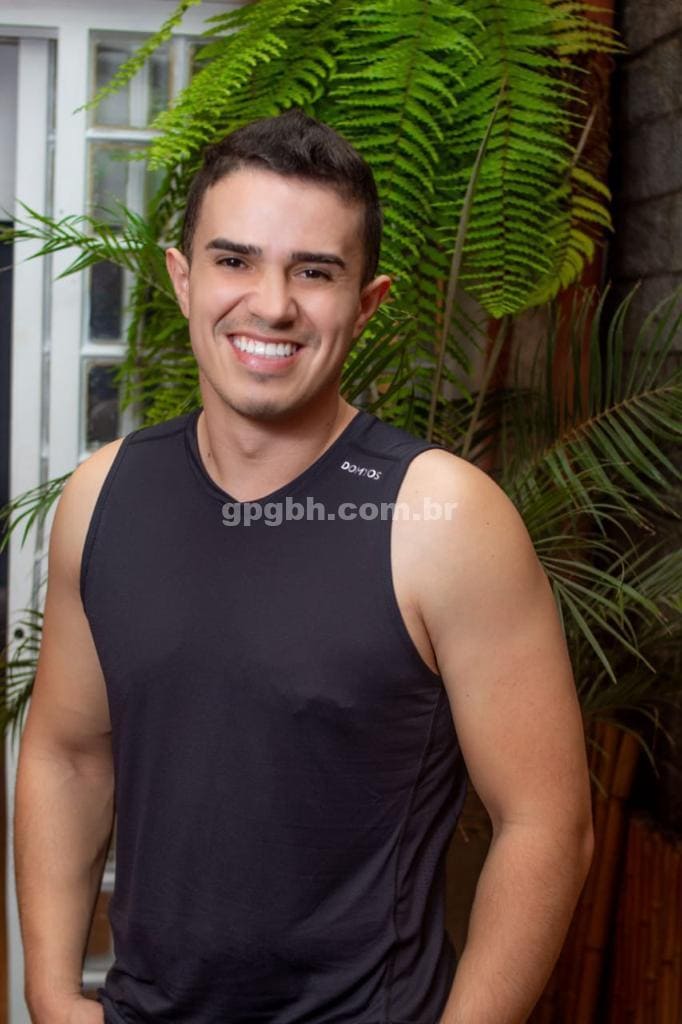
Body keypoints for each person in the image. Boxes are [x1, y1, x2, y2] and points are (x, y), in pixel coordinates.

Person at [15, 109, 594, 1024]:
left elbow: (547, 824)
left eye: (314, 271)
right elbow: (69, 755)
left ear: (368, 302)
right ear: (183, 277)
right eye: (234, 260)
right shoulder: (104, 495)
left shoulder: (442, 518)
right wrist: (50, 993)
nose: (272, 304)